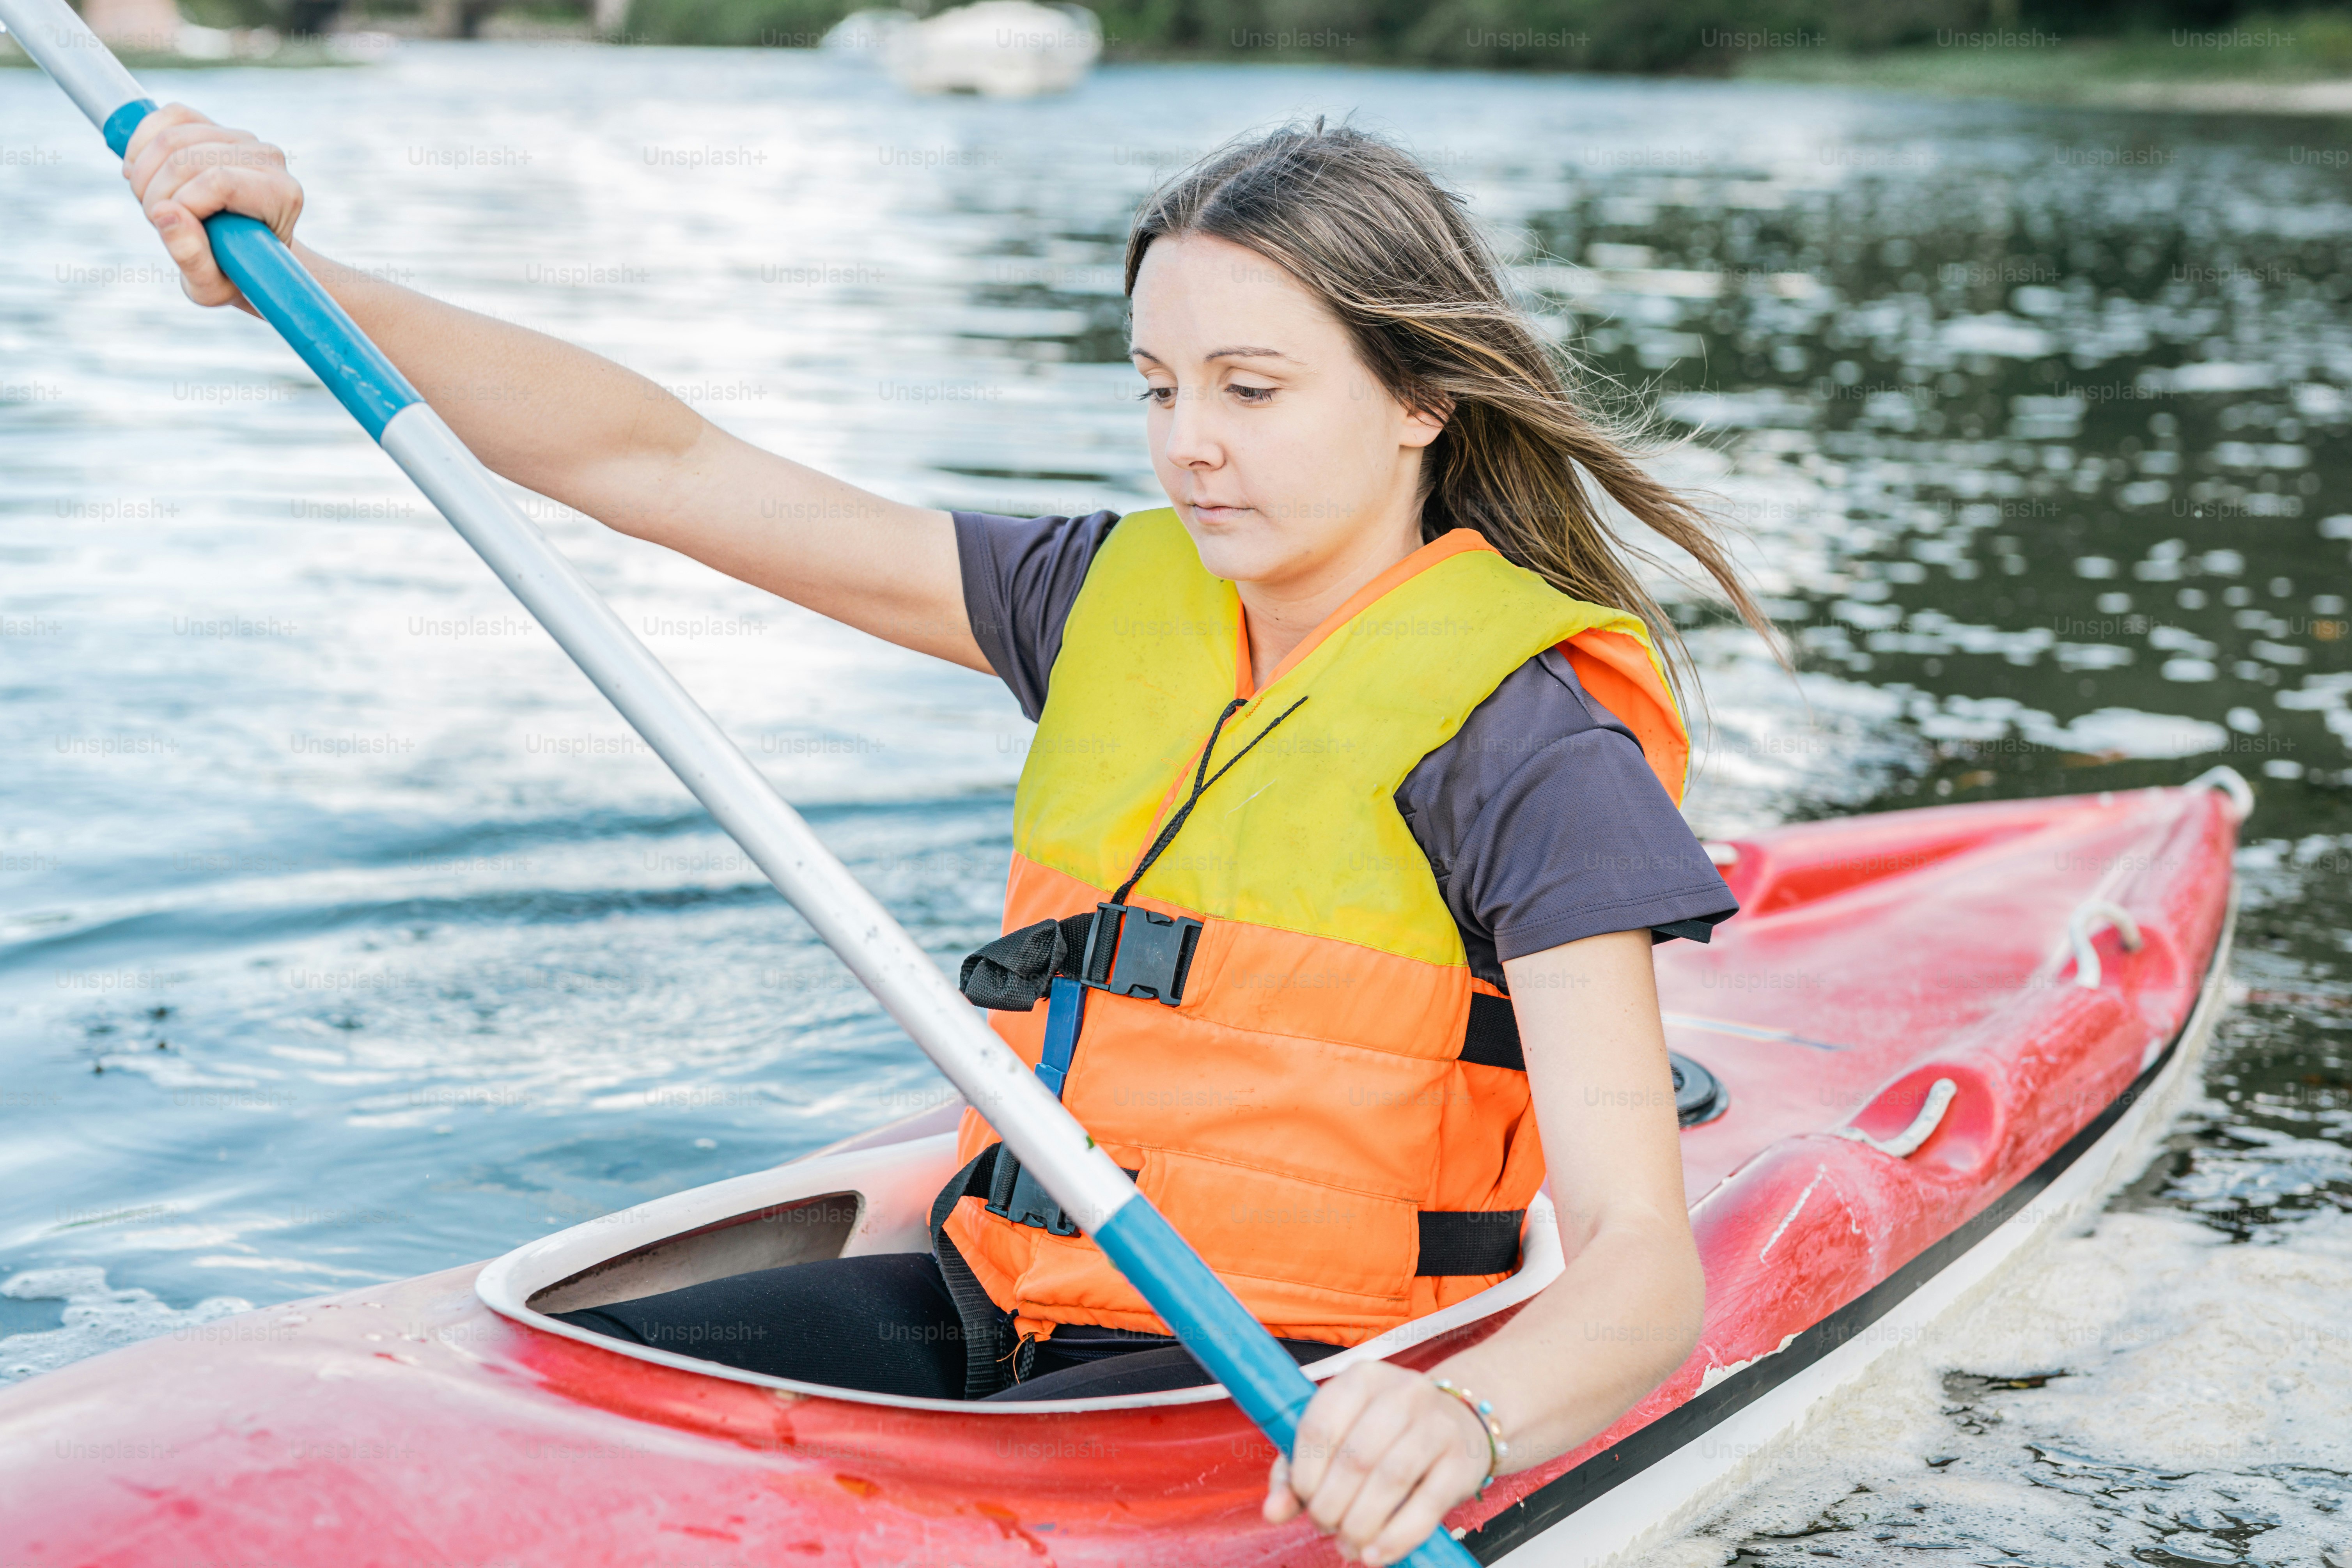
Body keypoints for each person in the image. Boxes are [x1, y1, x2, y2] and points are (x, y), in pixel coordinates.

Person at [126, 105, 1776, 1566]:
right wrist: (309, 278)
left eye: (1251, 388)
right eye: (1157, 383)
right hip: (996, 1303)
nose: (1186, 440)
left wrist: (1460, 1423)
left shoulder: (1529, 747)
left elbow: (1638, 1268)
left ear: (1419, 398)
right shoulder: (1095, 596)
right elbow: (663, 460)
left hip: (1271, 1375)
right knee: (538, 1416)